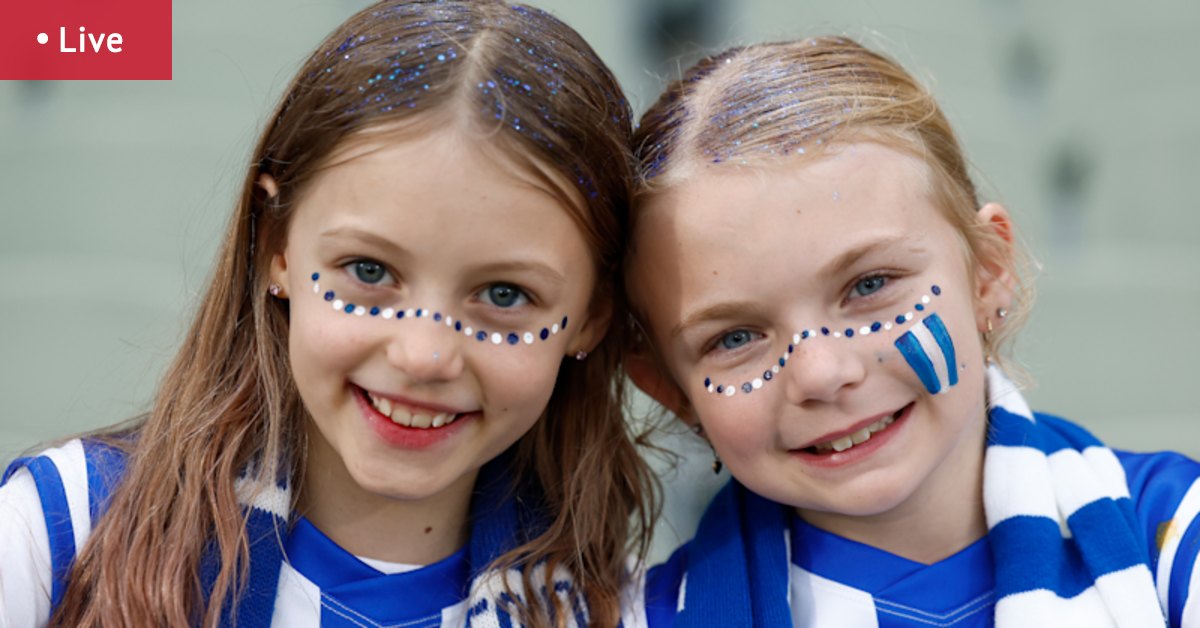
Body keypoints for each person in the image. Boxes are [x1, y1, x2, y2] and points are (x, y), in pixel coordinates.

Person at [0, 1, 655, 625]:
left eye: (506, 295)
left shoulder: (611, 613)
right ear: (276, 243)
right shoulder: (60, 531)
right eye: (370, 272)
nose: (421, 355)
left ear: (592, 315)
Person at [622, 36, 1200, 627]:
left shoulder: (1174, 532)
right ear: (669, 387)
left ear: (987, 273)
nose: (822, 372)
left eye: (870, 285)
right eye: (736, 338)